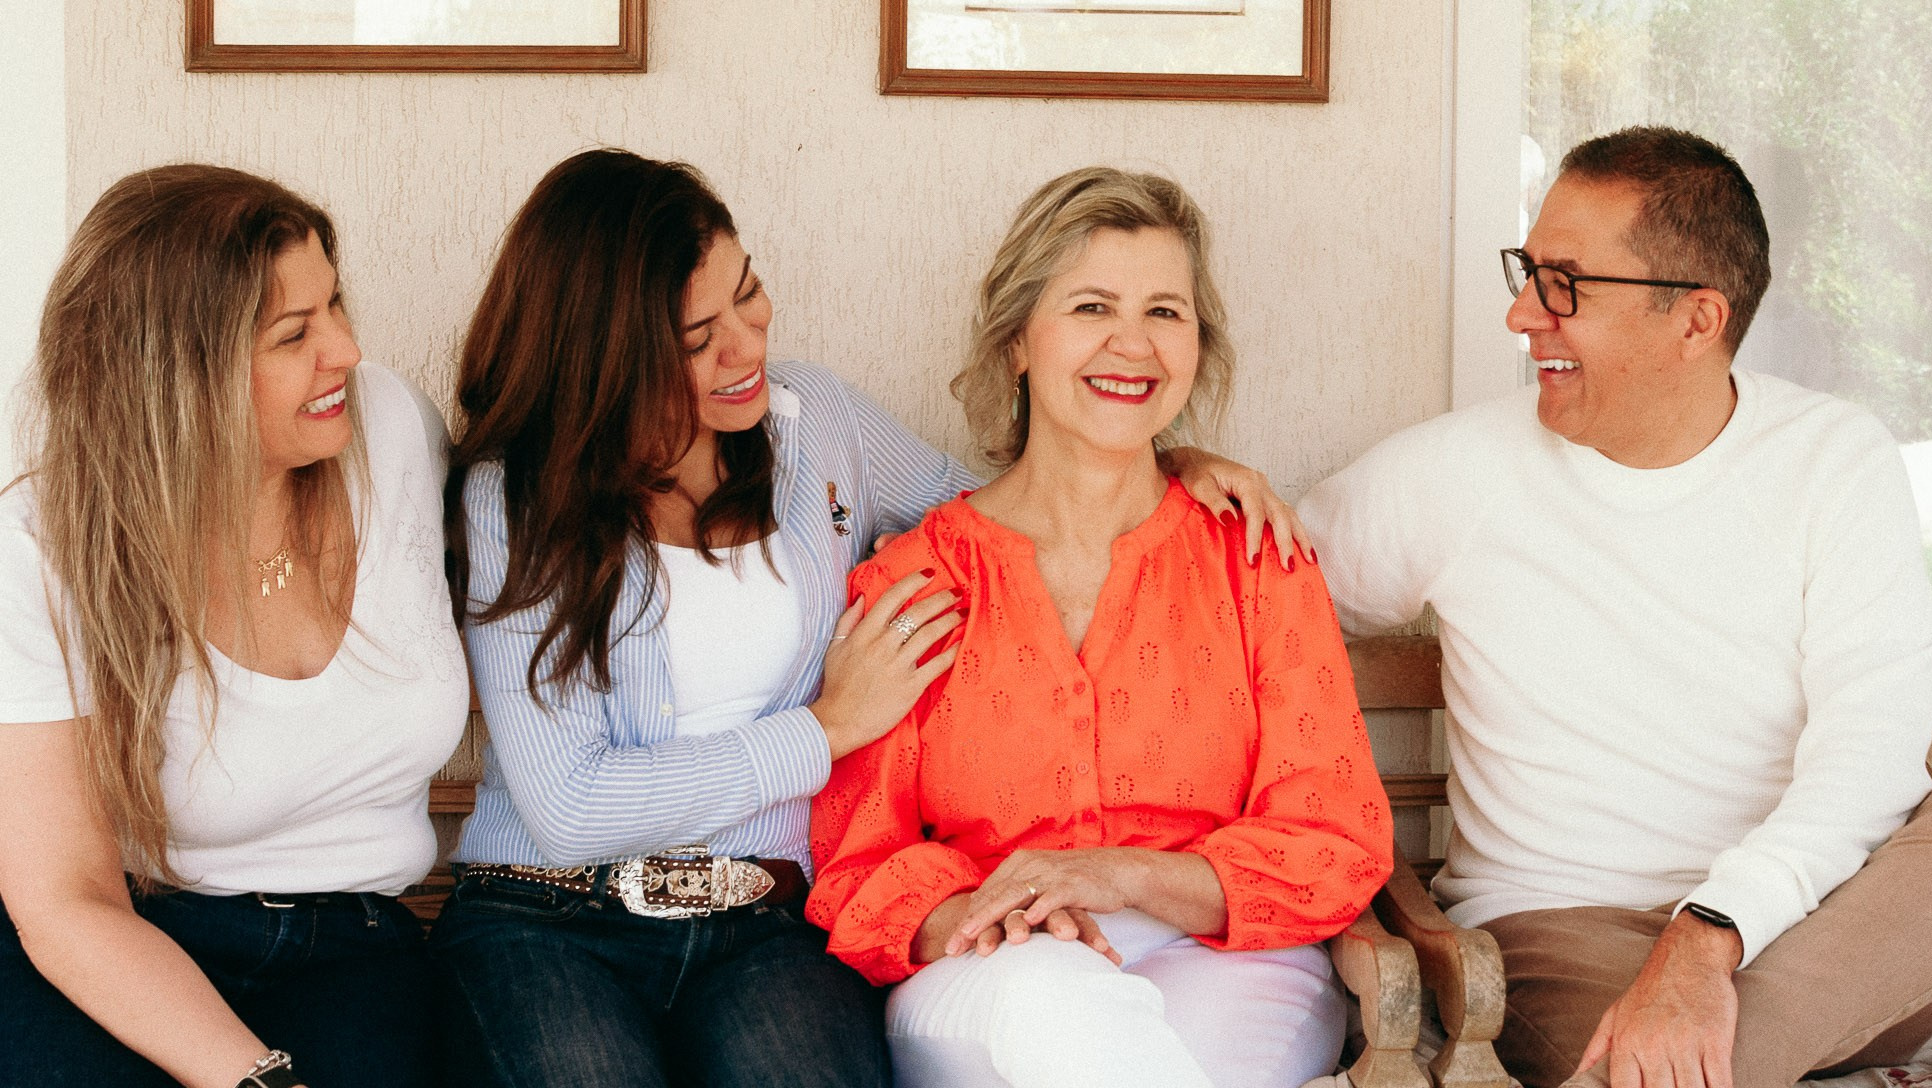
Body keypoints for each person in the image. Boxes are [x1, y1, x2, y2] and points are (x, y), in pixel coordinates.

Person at [429, 149, 1302, 1088]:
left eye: (749, 293)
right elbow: (568, 808)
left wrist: (1169, 464)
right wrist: (826, 729)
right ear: (606, 355)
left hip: (761, 924)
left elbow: (1008, 512)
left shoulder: (818, 426)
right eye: (695, 337)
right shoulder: (517, 501)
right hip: (547, 920)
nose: (746, 344)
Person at [1300, 126, 1932, 1088]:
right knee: (1655, 1050)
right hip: (1563, 941)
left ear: (1697, 320)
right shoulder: (1452, 474)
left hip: (1825, 936)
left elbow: (1873, 749)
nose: (1523, 315)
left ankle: (1703, 1060)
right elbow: (1227, 596)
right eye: (1527, 272)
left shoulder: (1833, 459)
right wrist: (1190, 468)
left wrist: (1710, 938)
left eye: (1564, 282)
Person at [807, 165, 1394, 1088]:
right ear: (1016, 346)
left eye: (1167, 313)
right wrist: (984, 914)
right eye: (1091, 307)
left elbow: (1332, 836)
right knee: (1055, 1003)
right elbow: (857, 863)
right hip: (992, 964)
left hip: (1232, 959)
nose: (1134, 345)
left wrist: (1115, 876)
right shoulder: (918, 578)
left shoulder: (1256, 560)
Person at [0, 167, 471, 1088]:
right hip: (126, 946)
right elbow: (64, 899)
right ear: (174, 379)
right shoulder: (44, 548)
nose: (345, 349)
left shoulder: (395, 433)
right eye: (293, 335)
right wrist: (258, 1081)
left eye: (334, 304)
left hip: (359, 944)